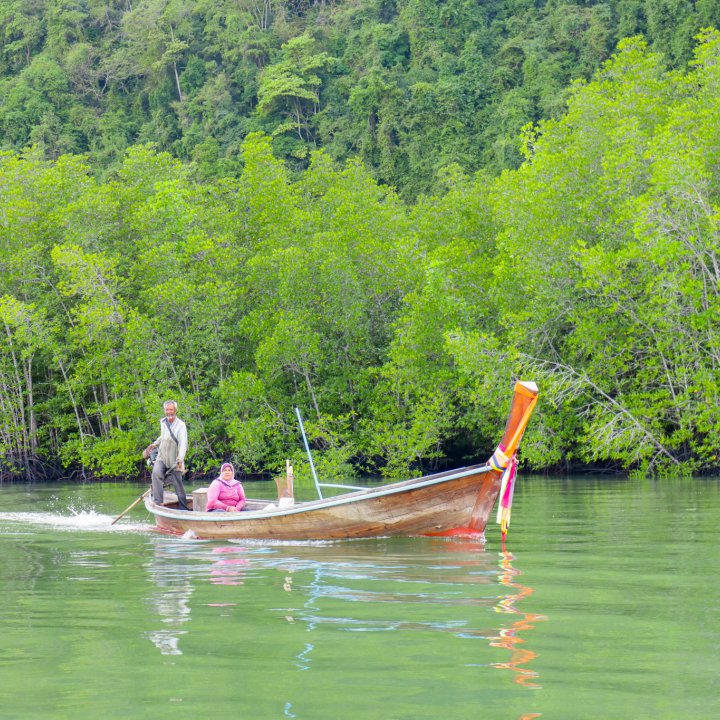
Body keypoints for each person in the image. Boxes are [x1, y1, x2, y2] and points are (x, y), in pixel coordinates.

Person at [149, 400, 189, 510]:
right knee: (156, 474)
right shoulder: (163, 422)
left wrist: (180, 458)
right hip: (162, 456)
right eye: (167, 409)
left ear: (175, 410)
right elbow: (163, 436)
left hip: (174, 458)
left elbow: (183, 443)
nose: (169, 412)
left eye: (171, 409)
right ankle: (158, 502)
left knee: (178, 483)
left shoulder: (181, 425)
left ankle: (183, 507)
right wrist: (155, 443)